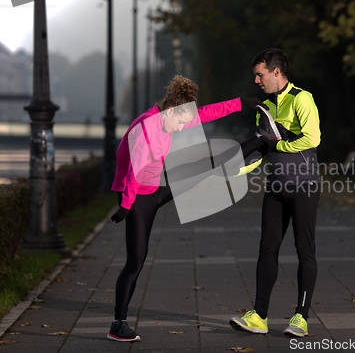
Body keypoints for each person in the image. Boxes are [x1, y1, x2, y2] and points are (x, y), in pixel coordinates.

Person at [107, 75, 268, 342]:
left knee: (206, 164)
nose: (183, 127)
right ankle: (118, 324)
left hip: (158, 185)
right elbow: (134, 171)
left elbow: (206, 113)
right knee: (136, 261)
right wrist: (125, 206)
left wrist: (242, 103)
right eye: (181, 122)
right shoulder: (146, 128)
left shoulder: (175, 116)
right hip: (137, 198)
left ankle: (260, 140)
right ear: (171, 111)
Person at [230, 48, 321, 337]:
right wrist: (236, 172)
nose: (257, 80)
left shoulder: (302, 98)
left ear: (276, 72)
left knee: (304, 250)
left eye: (260, 74)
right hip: (276, 187)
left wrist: (280, 143)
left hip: (305, 185)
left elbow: (312, 138)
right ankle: (259, 316)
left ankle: (301, 318)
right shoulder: (265, 109)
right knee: (267, 249)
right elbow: (261, 154)